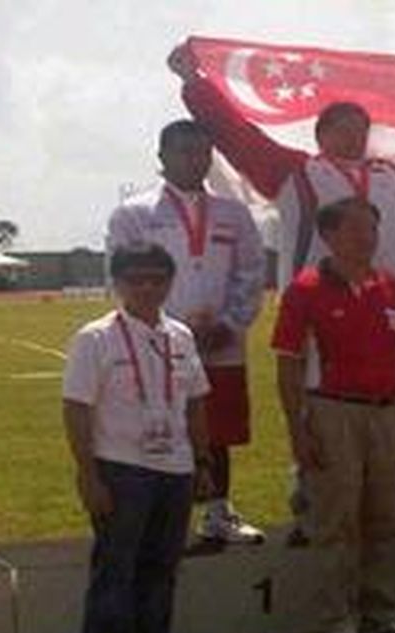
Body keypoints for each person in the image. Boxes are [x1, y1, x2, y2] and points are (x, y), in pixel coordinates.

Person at [174, 61, 395, 306]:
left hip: (390, 305)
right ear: (320, 135)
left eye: (359, 129)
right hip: (315, 306)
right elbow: (238, 137)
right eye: (342, 129)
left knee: (387, 391)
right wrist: (194, 83)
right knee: (317, 389)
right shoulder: (294, 173)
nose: (352, 137)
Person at [272, 197, 395, 633]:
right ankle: (339, 624)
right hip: (333, 412)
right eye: (355, 228)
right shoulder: (305, 289)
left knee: (385, 518)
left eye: (372, 228)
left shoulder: (390, 284)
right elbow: (288, 365)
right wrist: (298, 431)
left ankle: (384, 615)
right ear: (329, 235)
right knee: (337, 520)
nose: (367, 237)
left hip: (389, 413)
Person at [62, 243, 214, 633]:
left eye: (156, 279)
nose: (147, 287)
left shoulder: (181, 336)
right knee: (116, 568)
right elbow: (76, 408)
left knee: (162, 568)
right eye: (135, 279)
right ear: (119, 283)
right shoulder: (95, 338)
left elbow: (196, 403)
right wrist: (88, 475)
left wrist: (203, 463)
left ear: (170, 282)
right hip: (121, 469)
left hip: (176, 468)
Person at [107, 120, 267, 546]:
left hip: (222, 342)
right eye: (183, 151)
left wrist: (230, 324)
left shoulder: (233, 213)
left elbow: (251, 272)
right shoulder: (134, 213)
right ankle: (160, 516)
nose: (194, 160)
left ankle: (218, 512)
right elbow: (123, 274)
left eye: (202, 152)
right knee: (160, 423)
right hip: (157, 342)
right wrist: (170, 328)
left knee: (217, 428)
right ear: (161, 156)